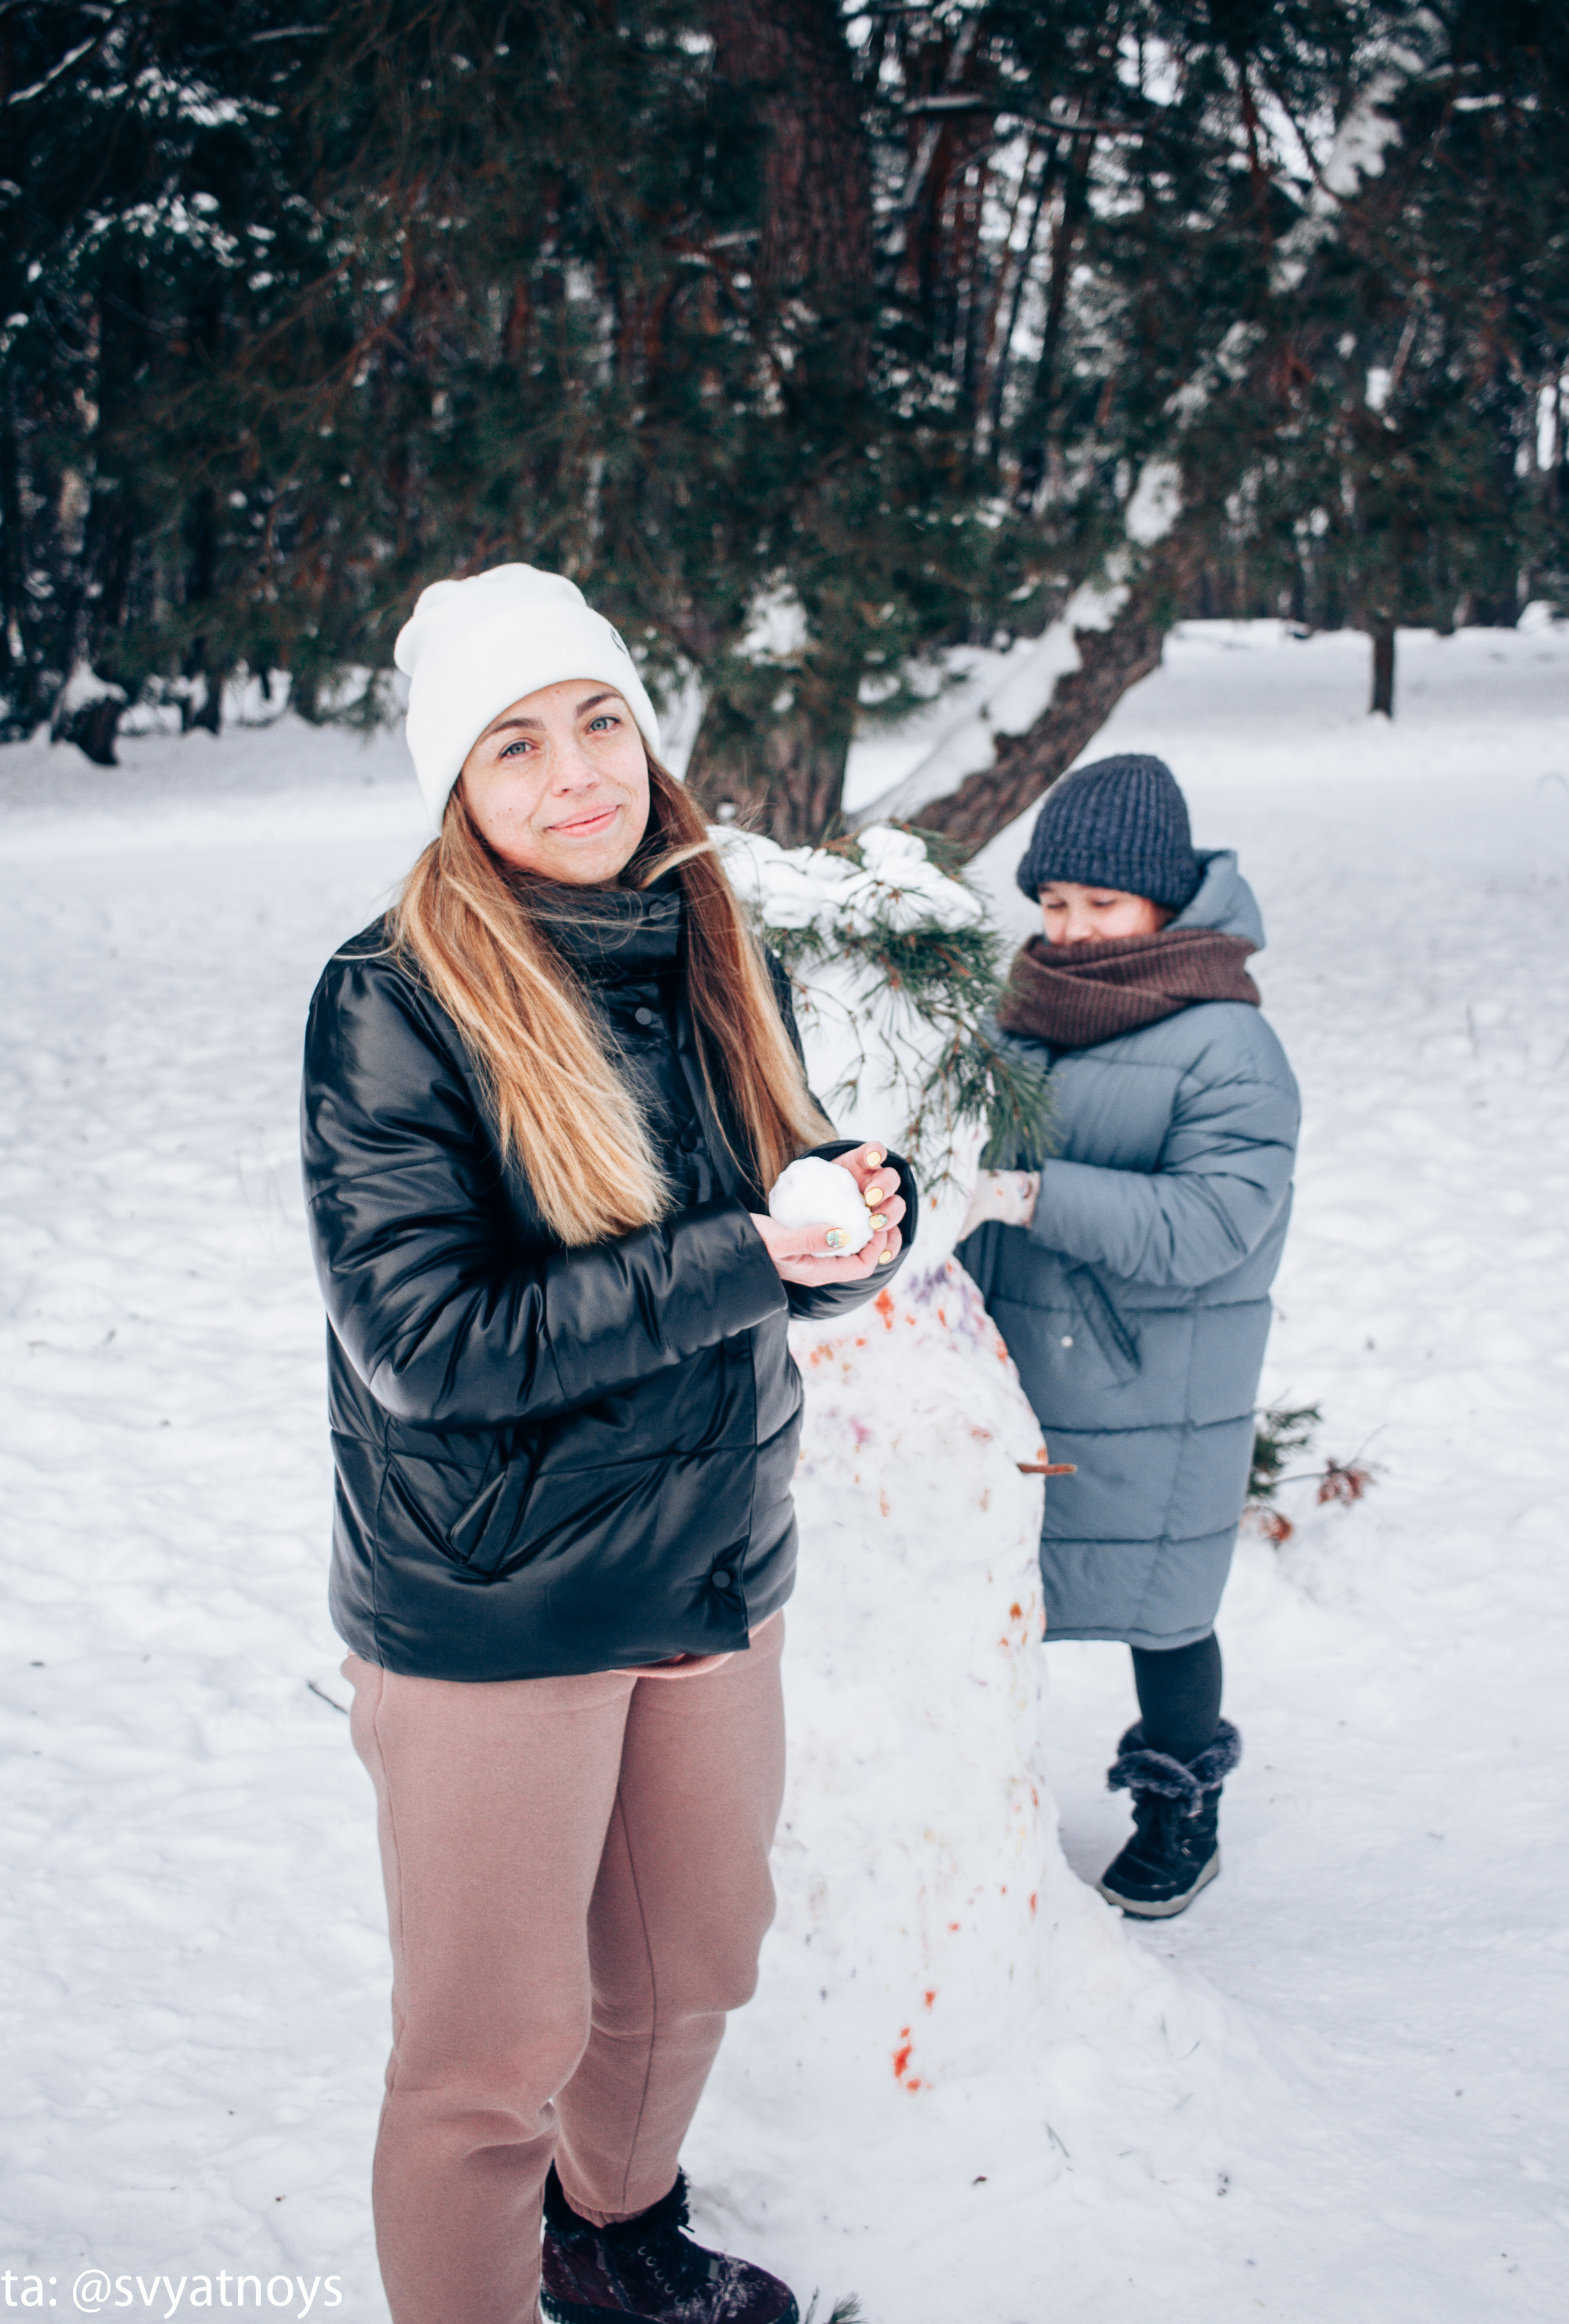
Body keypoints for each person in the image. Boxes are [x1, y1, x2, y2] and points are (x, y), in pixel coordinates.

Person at [300, 563, 915, 2324]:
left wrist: (848, 1219)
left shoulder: (712, 934)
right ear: (456, 790)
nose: (578, 774)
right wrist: (745, 1256)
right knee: (489, 2058)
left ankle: (613, 2234)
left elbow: (766, 1227)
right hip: (497, 1600)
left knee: (688, 1968)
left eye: (599, 720)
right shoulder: (394, 1001)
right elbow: (431, 1346)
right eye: (515, 746)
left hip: (714, 1562)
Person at [959, 752, 1299, 1920]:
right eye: (1055, 906)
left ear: (1165, 901)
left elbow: (1213, 1224)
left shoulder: (1228, 1048)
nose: (1076, 931)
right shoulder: (1025, 1021)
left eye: (1103, 906)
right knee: (996, 1593)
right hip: (1017, 1367)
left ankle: (1179, 1806)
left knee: (1165, 1611)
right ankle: (978, 1795)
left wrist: (1028, 1194)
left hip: (1152, 1380)